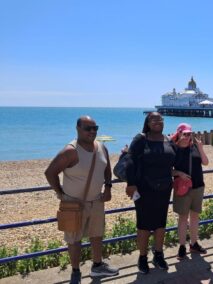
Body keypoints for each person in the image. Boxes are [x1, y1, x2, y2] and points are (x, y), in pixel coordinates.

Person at [44, 116, 119, 284]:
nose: (92, 131)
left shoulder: (102, 147)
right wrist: (61, 194)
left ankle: (97, 266)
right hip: (74, 204)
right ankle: (76, 272)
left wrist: (108, 187)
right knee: (74, 239)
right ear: (78, 129)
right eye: (88, 128)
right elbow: (50, 173)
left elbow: (107, 169)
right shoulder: (70, 151)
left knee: (97, 235)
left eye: (95, 128)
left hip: (97, 201)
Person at [125, 112, 176, 274]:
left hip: (165, 188)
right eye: (154, 119)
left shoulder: (168, 140)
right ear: (147, 122)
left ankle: (158, 254)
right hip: (144, 189)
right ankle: (142, 257)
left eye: (160, 119)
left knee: (161, 224)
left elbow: (174, 160)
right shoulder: (141, 139)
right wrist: (131, 184)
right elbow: (130, 161)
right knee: (144, 225)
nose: (158, 122)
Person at [171, 123, 209, 259]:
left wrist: (200, 148)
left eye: (189, 134)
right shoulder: (173, 149)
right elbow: (167, 169)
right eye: (184, 134)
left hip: (198, 186)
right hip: (182, 188)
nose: (187, 137)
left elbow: (205, 162)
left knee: (194, 217)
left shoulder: (195, 147)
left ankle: (193, 243)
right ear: (179, 133)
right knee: (182, 218)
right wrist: (179, 173)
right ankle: (182, 246)